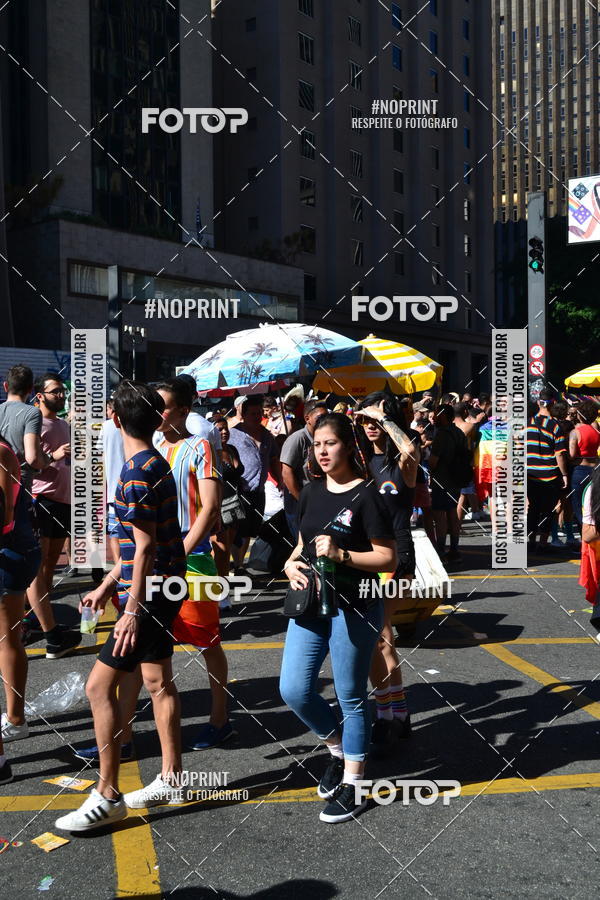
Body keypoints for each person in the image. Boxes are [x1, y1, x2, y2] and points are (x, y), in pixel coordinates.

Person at [56, 382, 187, 832]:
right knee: (157, 680)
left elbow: (146, 548)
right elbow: (138, 548)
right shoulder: (155, 463)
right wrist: (108, 582)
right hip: (164, 589)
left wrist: (129, 610)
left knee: (97, 689)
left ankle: (107, 793)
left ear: (114, 419)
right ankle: (172, 778)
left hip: (149, 597)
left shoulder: (134, 473)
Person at [279, 413, 397, 824]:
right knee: (294, 688)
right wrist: (290, 566)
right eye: (316, 444)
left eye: (330, 443)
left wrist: (342, 555)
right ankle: (337, 750)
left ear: (348, 445)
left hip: (356, 604)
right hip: (311, 601)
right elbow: (301, 544)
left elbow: (387, 557)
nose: (322, 451)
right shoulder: (310, 491)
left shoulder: (368, 495)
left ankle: (356, 785)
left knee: (350, 696)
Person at [356, 393, 420, 752]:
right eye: (365, 421)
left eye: (376, 421)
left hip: (396, 555)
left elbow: (411, 450)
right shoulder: (364, 460)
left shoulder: (402, 462)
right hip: (364, 552)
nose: (370, 426)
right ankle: (398, 712)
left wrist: (385, 419)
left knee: (380, 636)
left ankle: (388, 716)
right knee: (376, 638)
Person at [26, 373, 80, 659]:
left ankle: (40, 616)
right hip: (43, 499)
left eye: (62, 392)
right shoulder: (34, 423)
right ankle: (38, 621)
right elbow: (30, 463)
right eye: (55, 392)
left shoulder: (63, 424)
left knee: (49, 566)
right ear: (40, 395)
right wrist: (56, 456)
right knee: (39, 564)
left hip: (63, 500)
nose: (60, 396)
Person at [0, 434, 41, 746]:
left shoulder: (1, 454)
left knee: (7, 638)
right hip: (12, 551)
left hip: (9, 553)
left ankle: (15, 719)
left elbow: (4, 516)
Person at [229, 396, 282, 569]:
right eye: (253, 413)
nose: (257, 416)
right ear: (243, 414)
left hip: (259, 490)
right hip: (239, 491)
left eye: (259, 413)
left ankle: (238, 564)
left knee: (250, 530)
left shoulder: (267, 435)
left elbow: (273, 459)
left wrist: (279, 479)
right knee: (236, 529)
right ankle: (236, 564)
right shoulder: (232, 434)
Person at [280, 399, 328, 541]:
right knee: (305, 543)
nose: (324, 420)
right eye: (320, 417)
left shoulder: (325, 437)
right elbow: (286, 472)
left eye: (326, 416)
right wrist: (301, 500)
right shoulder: (297, 439)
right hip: (299, 503)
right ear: (307, 418)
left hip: (320, 499)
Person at [429, 404, 469, 564]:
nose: (433, 418)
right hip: (456, 480)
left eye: (436, 415)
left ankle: (441, 551)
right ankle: (454, 549)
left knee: (439, 516)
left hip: (442, 480)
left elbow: (433, 461)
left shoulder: (442, 435)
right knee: (452, 513)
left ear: (444, 416)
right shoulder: (459, 432)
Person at [526, 398, 568, 551]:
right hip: (550, 475)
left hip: (529, 474)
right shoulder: (555, 426)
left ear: (538, 403)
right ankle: (543, 543)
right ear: (553, 404)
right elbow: (560, 454)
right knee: (547, 509)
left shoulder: (526, 423)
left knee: (533, 508)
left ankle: (530, 541)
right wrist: (564, 474)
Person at [210, 416, 245, 580]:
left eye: (226, 428)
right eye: (219, 429)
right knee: (219, 546)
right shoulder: (210, 451)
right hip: (221, 503)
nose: (224, 432)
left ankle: (221, 579)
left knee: (229, 545)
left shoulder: (232, 449)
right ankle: (216, 580)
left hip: (235, 503)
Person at [100, 398, 125, 565]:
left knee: (115, 533)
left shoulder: (106, 426)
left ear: (111, 410)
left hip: (113, 492)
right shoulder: (134, 422)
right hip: (134, 486)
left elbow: (100, 455)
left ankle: (118, 568)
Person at [569, 399, 600, 530]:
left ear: (580, 415)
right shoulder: (597, 432)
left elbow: (571, 455)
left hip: (580, 471)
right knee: (593, 504)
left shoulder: (575, 432)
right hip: (595, 470)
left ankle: (585, 536)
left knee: (579, 506)